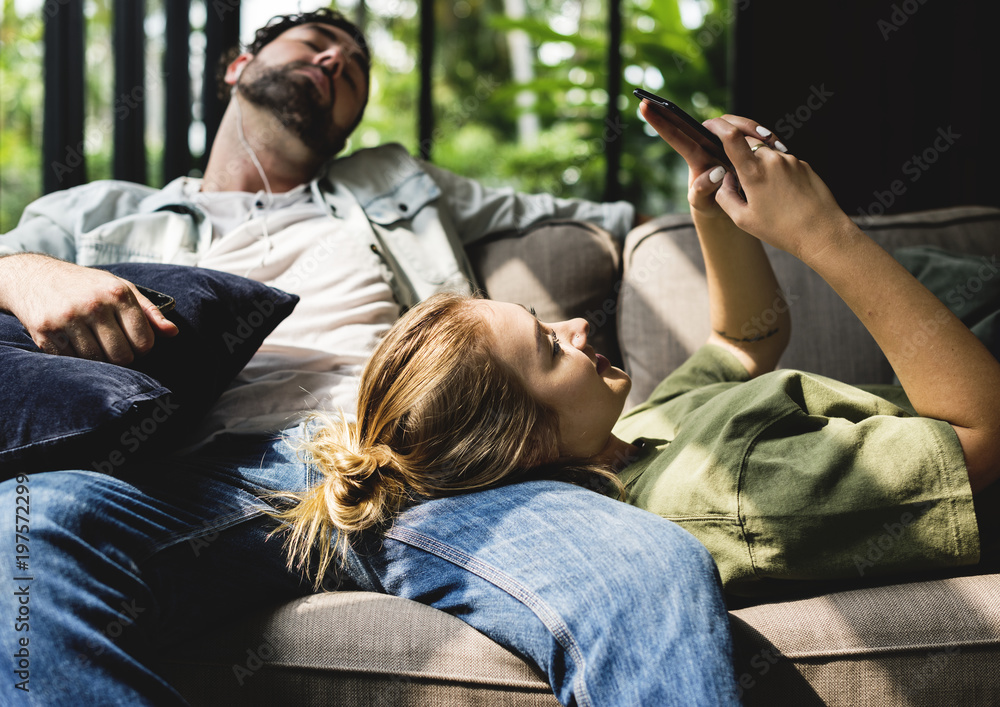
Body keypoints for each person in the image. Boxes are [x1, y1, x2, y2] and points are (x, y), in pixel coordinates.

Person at [0, 9, 741, 706]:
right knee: (20, 534)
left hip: (430, 464)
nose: (337, 60)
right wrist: (26, 273)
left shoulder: (393, 182)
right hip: (210, 476)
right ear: (238, 66)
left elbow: (585, 218)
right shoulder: (91, 214)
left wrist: (717, 181)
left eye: (356, 69)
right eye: (317, 43)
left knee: (644, 565)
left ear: (351, 124)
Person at [276, 98, 1000, 602]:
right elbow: (985, 438)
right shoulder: (724, 493)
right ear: (526, 446)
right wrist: (824, 234)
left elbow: (746, 341)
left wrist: (710, 208)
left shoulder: (634, 439)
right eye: (550, 350)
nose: (578, 329)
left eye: (543, 319)